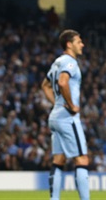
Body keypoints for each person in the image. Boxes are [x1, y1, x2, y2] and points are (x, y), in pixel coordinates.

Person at [41, 30, 90, 200]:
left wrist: (56, 103)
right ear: (69, 44)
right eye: (78, 41)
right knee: (82, 159)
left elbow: (45, 85)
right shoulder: (70, 62)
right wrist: (70, 105)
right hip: (67, 118)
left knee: (59, 159)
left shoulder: (57, 62)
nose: (82, 44)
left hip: (55, 117)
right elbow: (63, 82)